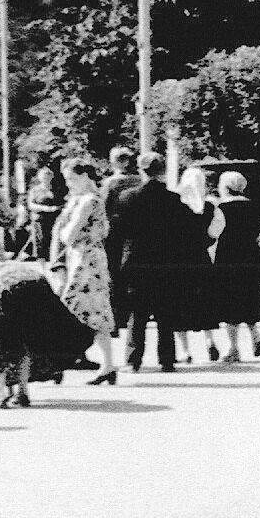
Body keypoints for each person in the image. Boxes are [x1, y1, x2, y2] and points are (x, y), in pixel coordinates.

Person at [0, 254, 96, 408]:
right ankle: (22, 393)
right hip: (38, 283)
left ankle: (0, 395)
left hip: (8, 287)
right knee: (25, 339)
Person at [116, 152, 194, 373]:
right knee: (165, 311)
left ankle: (134, 359)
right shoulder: (172, 199)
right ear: (162, 171)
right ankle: (167, 359)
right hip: (165, 261)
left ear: (141, 171)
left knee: (137, 313)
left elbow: (118, 231)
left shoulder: (127, 197)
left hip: (136, 260)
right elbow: (184, 232)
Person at [53, 158, 119, 385]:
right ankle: (106, 364)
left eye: (71, 179)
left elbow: (68, 235)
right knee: (93, 310)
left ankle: (59, 361)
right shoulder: (91, 199)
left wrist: (63, 228)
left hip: (84, 258)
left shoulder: (87, 201)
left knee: (72, 307)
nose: (68, 184)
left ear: (84, 176)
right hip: (89, 257)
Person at [213, 170, 260, 363]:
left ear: (226, 187)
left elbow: (214, 232)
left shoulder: (221, 208)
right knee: (249, 298)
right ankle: (255, 335)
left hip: (228, 257)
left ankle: (233, 348)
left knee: (230, 303)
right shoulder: (255, 207)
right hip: (250, 256)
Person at [171, 165, 224, 364]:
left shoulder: (175, 205)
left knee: (180, 304)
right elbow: (216, 230)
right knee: (204, 302)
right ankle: (209, 341)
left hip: (178, 261)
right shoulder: (209, 206)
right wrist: (206, 241)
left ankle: (185, 351)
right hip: (201, 258)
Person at [101, 146, 144, 336]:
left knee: (114, 274)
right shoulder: (139, 180)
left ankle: (117, 319)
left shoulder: (110, 183)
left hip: (115, 233)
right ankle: (132, 313)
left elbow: (104, 209)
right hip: (136, 233)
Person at [26, 166, 63, 262]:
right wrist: (46, 209)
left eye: (48, 177)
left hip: (53, 219)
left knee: (53, 242)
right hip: (40, 220)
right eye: (43, 177)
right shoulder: (35, 190)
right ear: (39, 177)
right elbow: (30, 205)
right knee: (41, 244)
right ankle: (41, 263)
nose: (45, 179)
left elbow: (61, 203)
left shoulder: (56, 190)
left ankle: (53, 261)